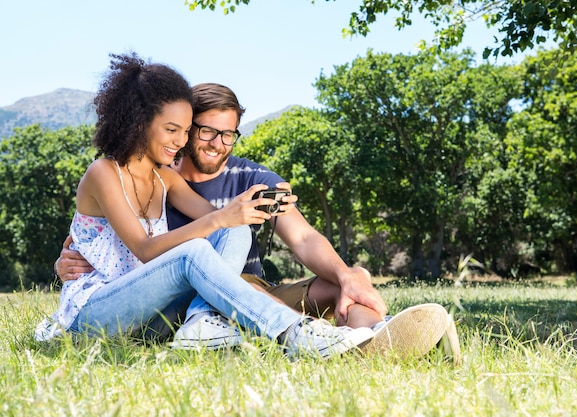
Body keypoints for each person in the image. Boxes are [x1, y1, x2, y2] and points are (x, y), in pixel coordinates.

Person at [56, 82, 460, 362]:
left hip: (246, 289)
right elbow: (108, 239)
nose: (217, 143)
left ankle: (377, 338)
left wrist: (347, 273)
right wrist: (67, 258)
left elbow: (301, 236)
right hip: (180, 296)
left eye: (229, 134)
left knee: (342, 277)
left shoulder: (240, 178)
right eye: (204, 131)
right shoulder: (143, 168)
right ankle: (304, 336)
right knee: (205, 244)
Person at [35, 52, 376, 360]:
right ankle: (294, 333)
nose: (180, 141)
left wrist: (243, 211)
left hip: (152, 318)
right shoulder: (104, 172)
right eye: (173, 129)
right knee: (195, 249)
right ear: (139, 122)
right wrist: (64, 257)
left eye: (184, 131)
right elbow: (143, 248)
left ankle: (203, 323)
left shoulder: (165, 180)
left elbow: (233, 223)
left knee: (236, 227)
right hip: (97, 313)